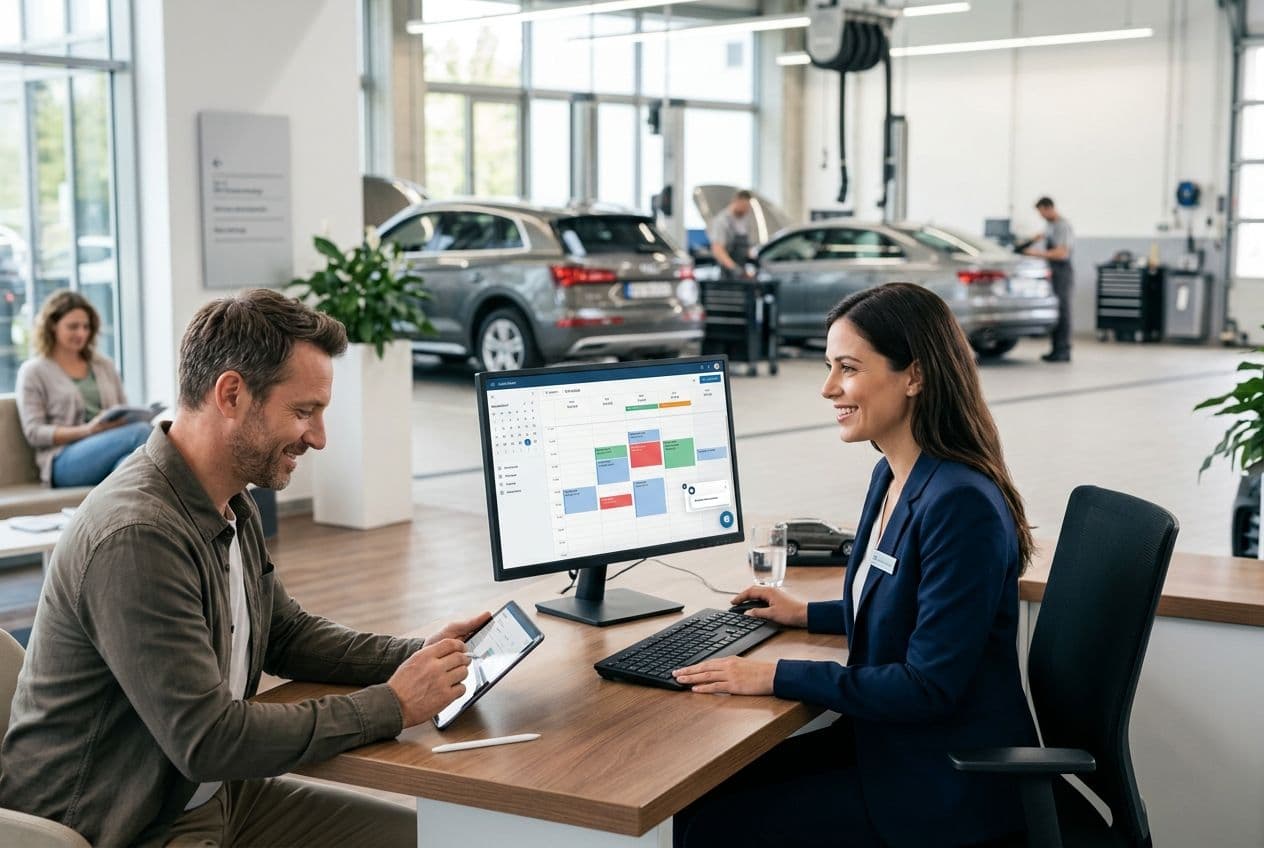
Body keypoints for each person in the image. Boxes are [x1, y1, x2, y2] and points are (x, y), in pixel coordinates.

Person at [0, 289, 490, 847]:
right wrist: (394, 704)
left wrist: (416, 654)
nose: (319, 438)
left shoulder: (230, 500)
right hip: (123, 825)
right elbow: (208, 738)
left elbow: (284, 633)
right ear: (232, 394)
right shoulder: (137, 536)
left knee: (424, 841)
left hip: (206, 794)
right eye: (303, 412)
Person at [671, 282, 1038, 848]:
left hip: (942, 778)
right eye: (827, 366)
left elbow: (927, 686)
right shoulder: (893, 474)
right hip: (887, 743)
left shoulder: (961, 504)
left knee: (716, 830)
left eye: (847, 368)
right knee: (695, 800)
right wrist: (805, 614)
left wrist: (773, 675)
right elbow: (903, 606)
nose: (828, 388)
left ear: (913, 376)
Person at [15, 289, 151, 487]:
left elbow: (123, 408)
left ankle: (113, 512)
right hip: (63, 460)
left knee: (131, 465)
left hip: (108, 448)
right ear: (52, 326)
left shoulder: (104, 365)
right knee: (142, 433)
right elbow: (35, 433)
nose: (81, 333)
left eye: (86, 327)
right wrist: (88, 430)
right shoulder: (33, 371)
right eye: (73, 327)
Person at [1024, 196, 1075, 363]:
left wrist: (1036, 254)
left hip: (1062, 270)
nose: (1041, 216)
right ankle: (1056, 349)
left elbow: (1062, 253)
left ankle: (1063, 350)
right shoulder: (1050, 226)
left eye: (1041, 212)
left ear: (1048, 208)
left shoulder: (1062, 226)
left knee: (1062, 310)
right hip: (1052, 270)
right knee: (1055, 309)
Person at [707, 189, 756, 279]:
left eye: (748, 206)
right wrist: (734, 269)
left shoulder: (746, 219)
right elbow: (717, 250)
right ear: (736, 201)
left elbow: (747, 246)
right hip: (728, 271)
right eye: (745, 206)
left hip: (743, 268)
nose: (747, 209)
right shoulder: (722, 221)